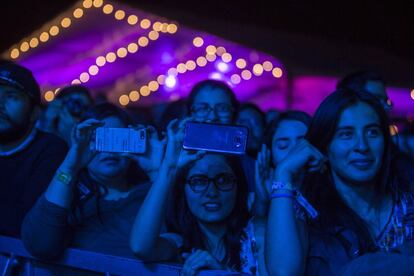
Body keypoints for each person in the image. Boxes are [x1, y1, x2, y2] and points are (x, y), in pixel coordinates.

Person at [266, 88, 414, 275]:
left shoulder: (407, 204)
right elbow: (283, 273)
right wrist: (283, 173)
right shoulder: (306, 212)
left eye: (372, 133)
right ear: (325, 145)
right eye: (346, 134)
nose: (362, 146)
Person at [22, 103, 163, 259]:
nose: (109, 150)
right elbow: (39, 244)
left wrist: (157, 173)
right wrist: (70, 166)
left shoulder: (148, 193)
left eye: (118, 139)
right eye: (99, 140)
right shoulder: (68, 195)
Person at [129, 118, 264, 275]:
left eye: (223, 180)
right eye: (199, 181)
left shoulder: (258, 235)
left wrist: (223, 272)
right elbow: (140, 247)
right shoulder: (179, 243)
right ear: (184, 190)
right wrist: (169, 168)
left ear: (238, 187)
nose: (212, 192)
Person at [0, 61, 68, 237]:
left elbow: (22, 221)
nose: (0, 104)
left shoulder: (51, 150)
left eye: (11, 96)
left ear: (34, 113)